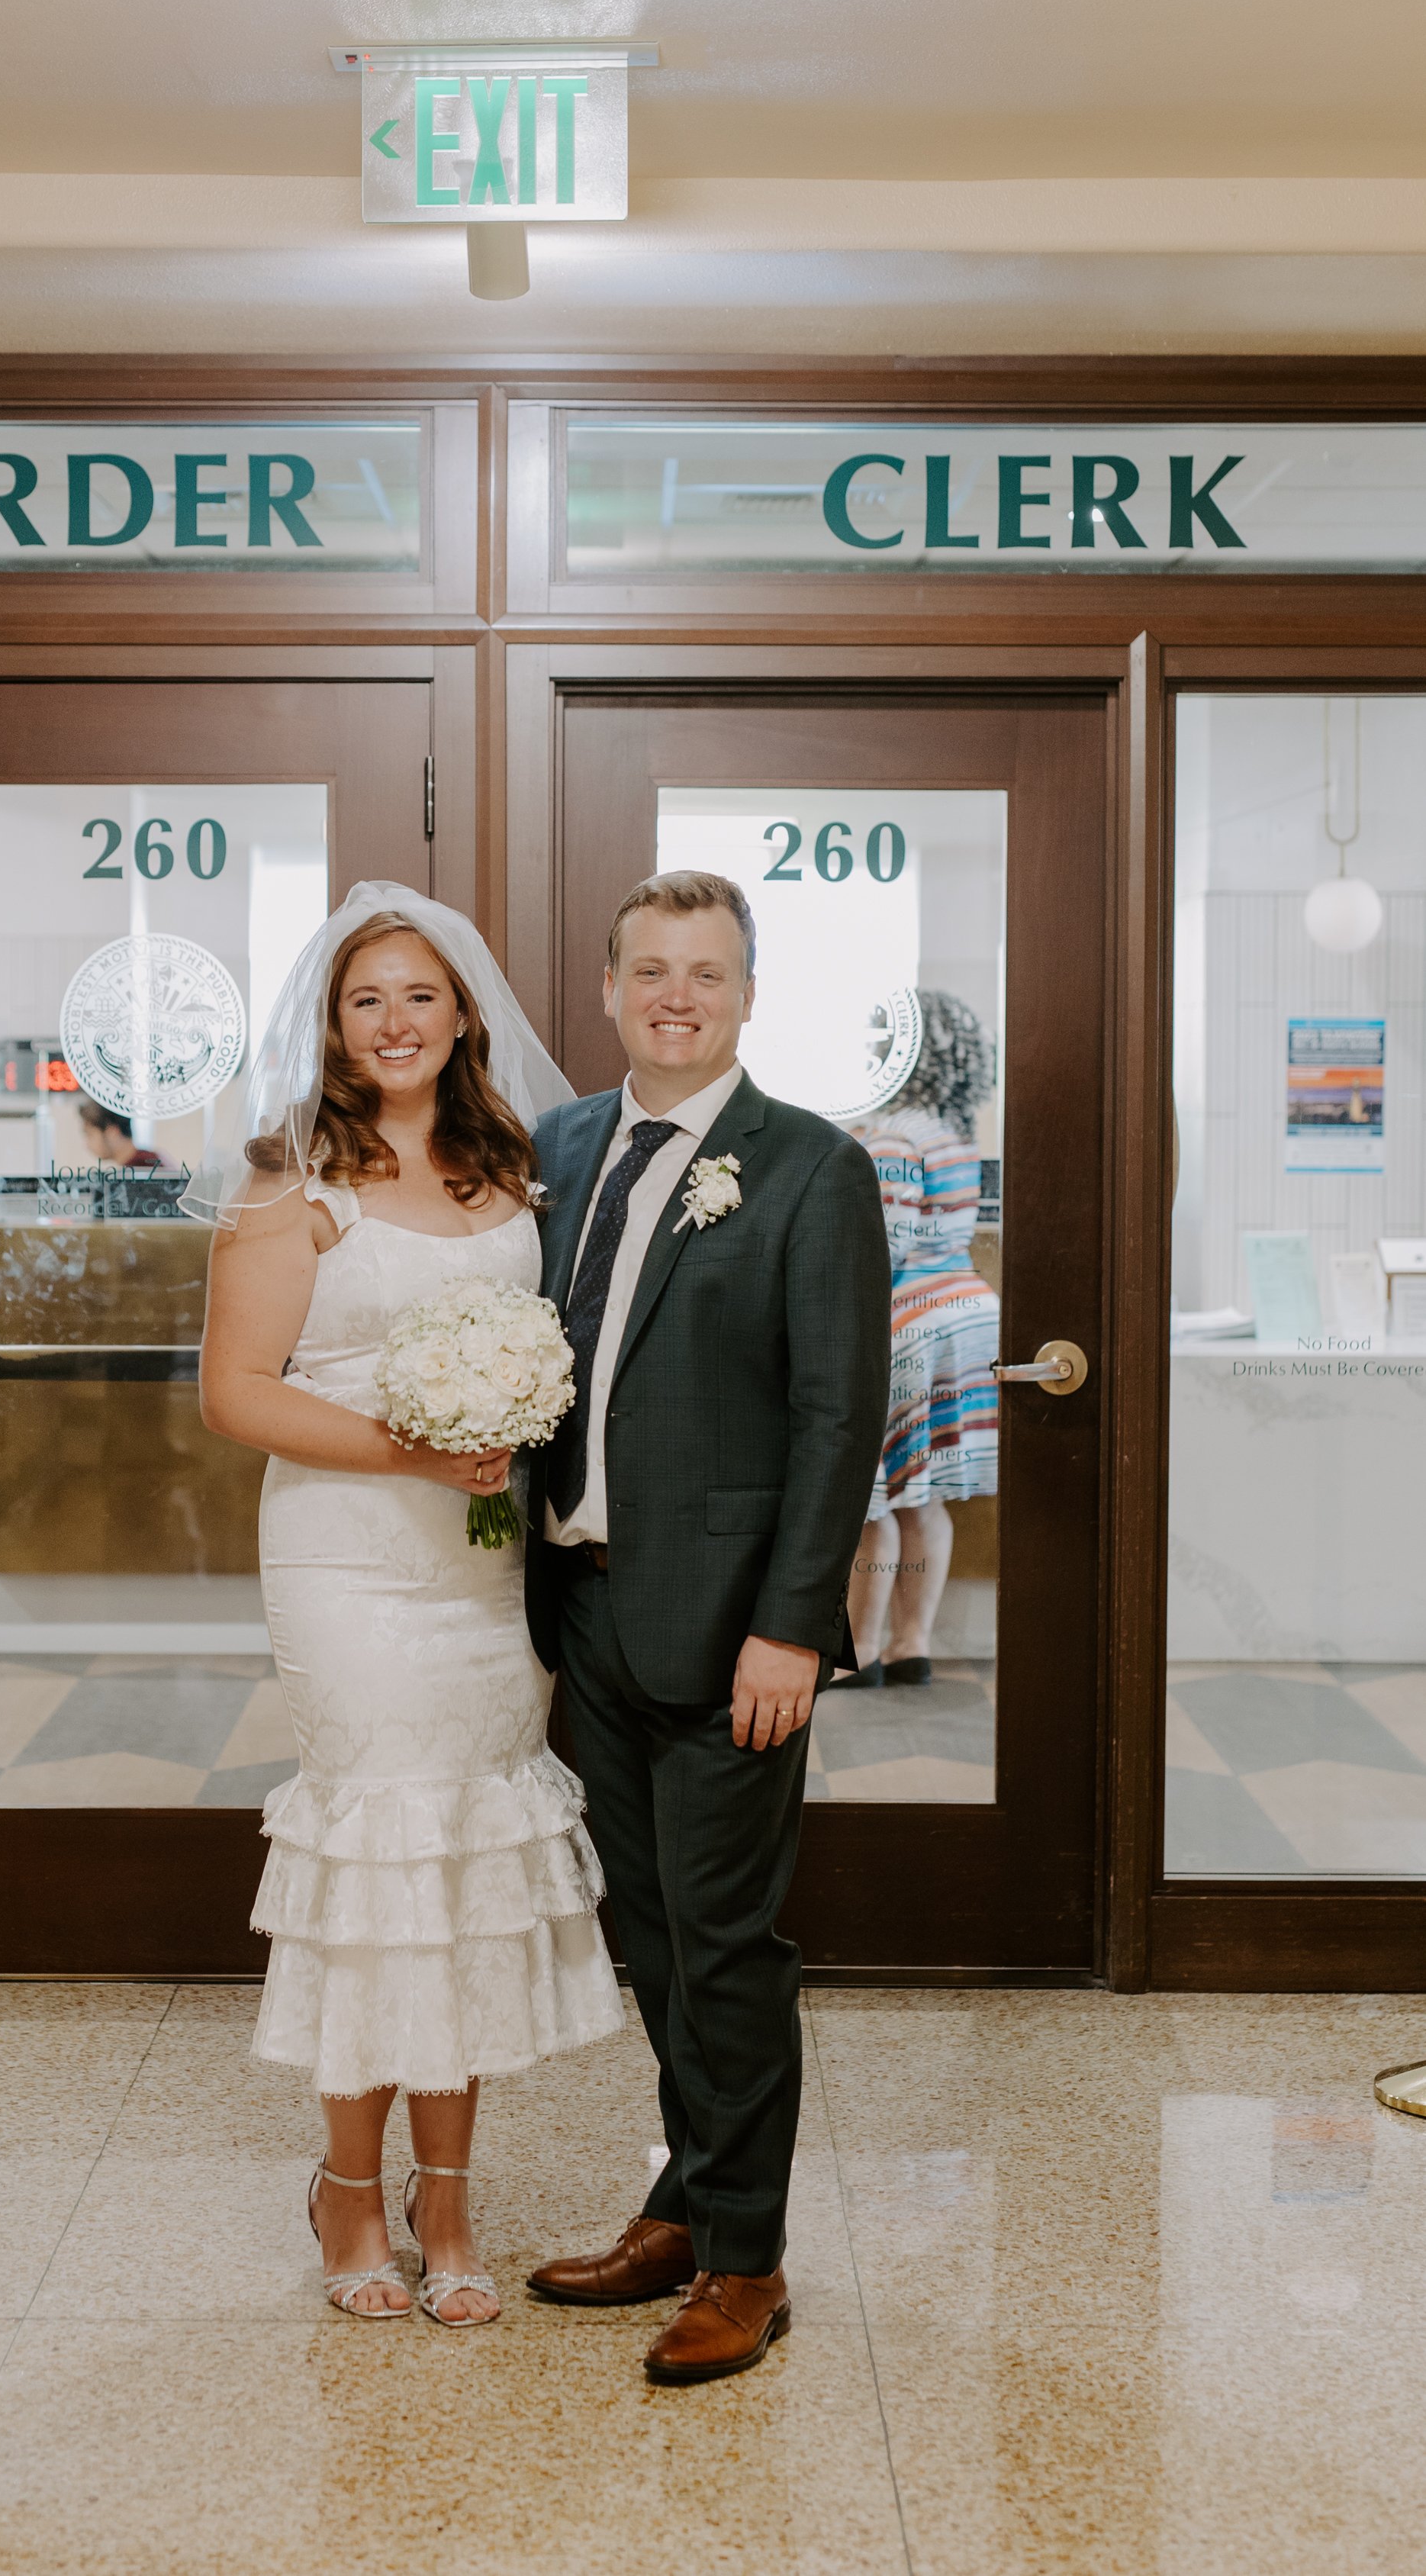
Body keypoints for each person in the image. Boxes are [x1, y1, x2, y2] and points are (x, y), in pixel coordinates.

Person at [198, 882, 622, 2329]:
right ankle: (349, 2191)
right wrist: (413, 1447)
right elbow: (235, 1394)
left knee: (465, 1857)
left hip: (482, 1566)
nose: (395, 1022)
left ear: (462, 1018)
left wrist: (495, 1442)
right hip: (346, 1563)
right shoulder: (286, 1188)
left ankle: (451, 2202)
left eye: (420, 997)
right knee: (382, 1858)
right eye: (366, 998)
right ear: (330, 1022)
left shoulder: (513, 1179)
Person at [522, 868, 890, 2386]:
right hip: (578, 1611)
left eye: (708, 973)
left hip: (734, 1628)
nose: (676, 994)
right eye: (650, 969)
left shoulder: (805, 1166)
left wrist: (791, 1627)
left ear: (744, 999)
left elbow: (834, 1413)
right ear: (606, 991)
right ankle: (685, 2200)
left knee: (724, 1944)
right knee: (648, 1936)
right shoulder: (552, 1150)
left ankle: (746, 2262)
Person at [839, 993, 999, 1689]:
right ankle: (914, 1644)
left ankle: (862, 1651)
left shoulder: (895, 1137)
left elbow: (884, 1246)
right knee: (920, 1493)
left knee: (871, 1495)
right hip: (965, 1314)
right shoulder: (954, 1133)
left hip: (906, 1322)